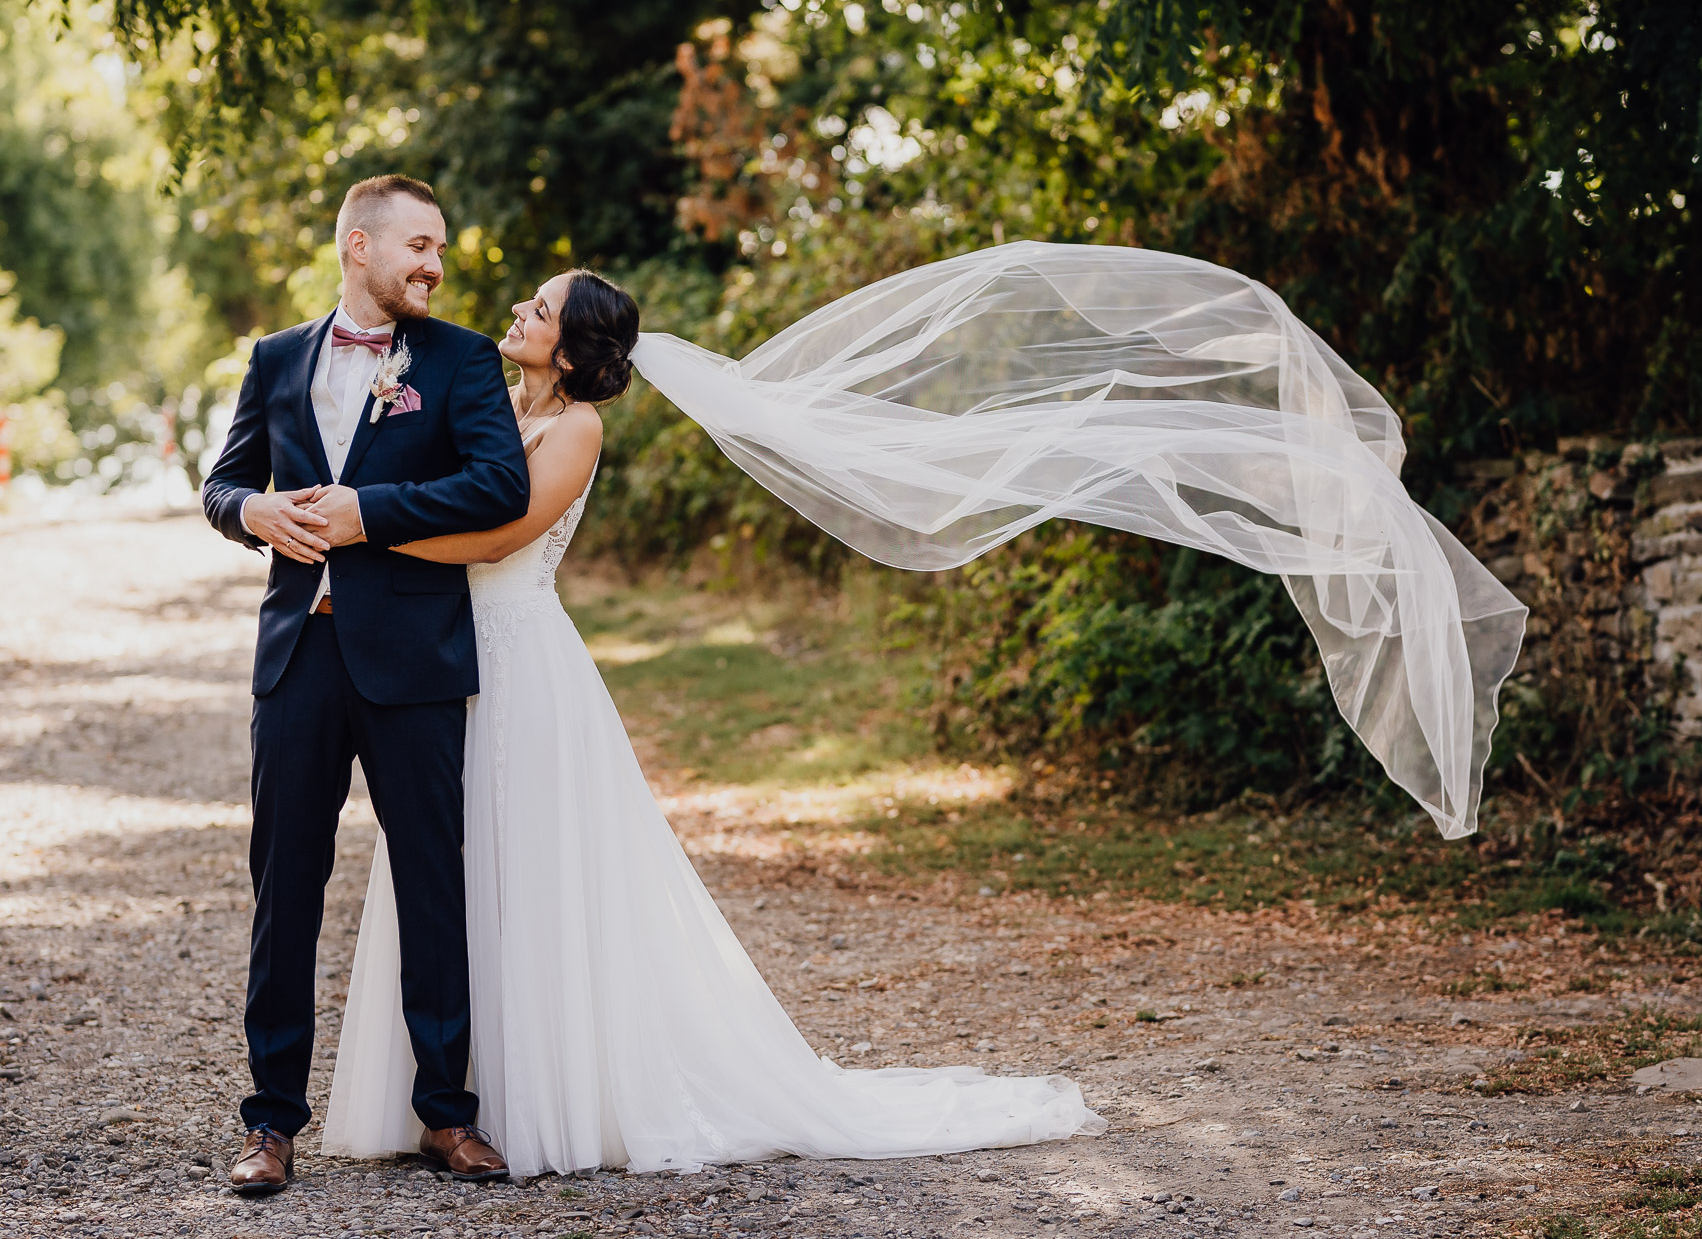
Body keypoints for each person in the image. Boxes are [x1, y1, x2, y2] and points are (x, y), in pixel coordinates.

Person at [319, 267, 1108, 1175]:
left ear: (572, 350)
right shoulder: (485, 401)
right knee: (444, 866)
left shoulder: (578, 428)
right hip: (441, 659)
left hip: (521, 661)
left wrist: (363, 531)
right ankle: (456, 1091)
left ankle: (550, 1096)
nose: (518, 311)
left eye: (539, 309)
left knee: (529, 862)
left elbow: (502, 537)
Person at [200, 174, 530, 1194]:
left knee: (434, 879)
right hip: (299, 654)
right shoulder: (275, 357)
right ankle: (270, 1123)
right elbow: (222, 481)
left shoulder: (464, 359)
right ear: (359, 245)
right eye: (418, 246)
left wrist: (367, 511)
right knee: (284, 885)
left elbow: (500, 483)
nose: (433, 265)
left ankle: (447, 1114)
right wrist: (249, 511)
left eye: (439, 250)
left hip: (415, 661)